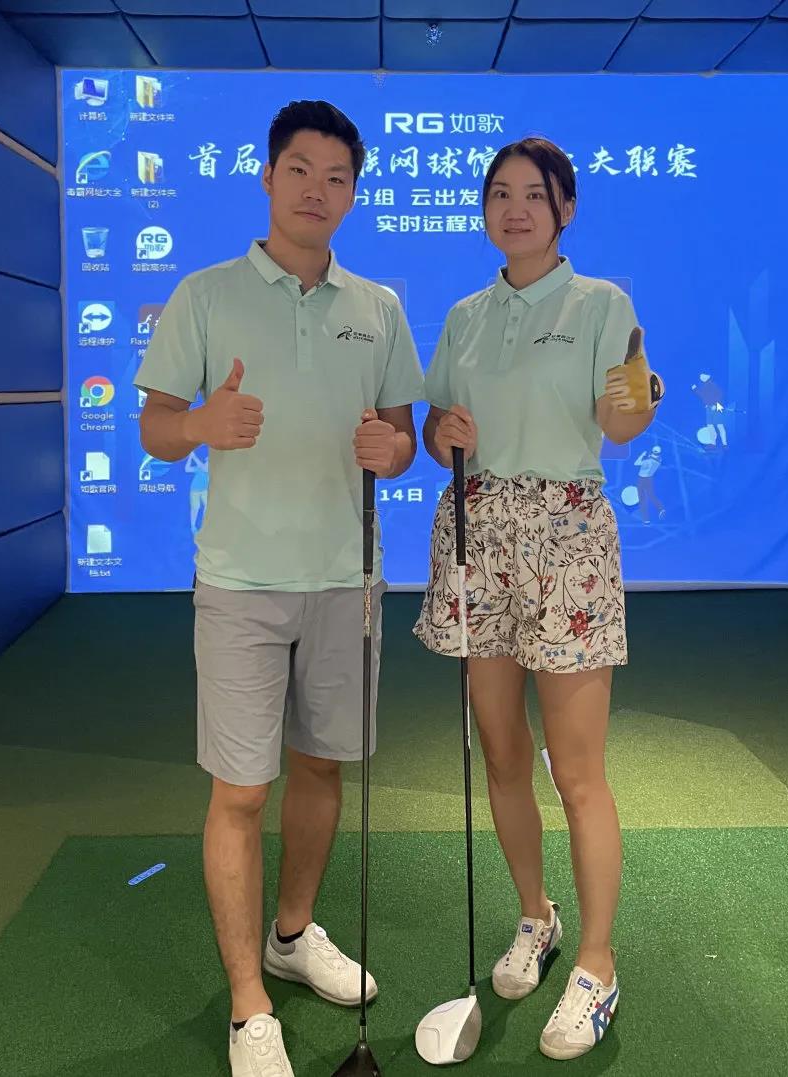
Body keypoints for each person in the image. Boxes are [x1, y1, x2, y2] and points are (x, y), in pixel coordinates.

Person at [135, 99, 425, 1077]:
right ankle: (247, 1006)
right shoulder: (205, 295)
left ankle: (292, 936)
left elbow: (400, 435)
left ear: (353, 193)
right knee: (241, 791)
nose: (316, 191)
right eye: (299, 170)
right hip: (240, 583)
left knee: (322, 770)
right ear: (267, 177)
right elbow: (155, 427)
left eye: (337, 177)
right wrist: (198, 426)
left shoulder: (377, 307)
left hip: (346, 580)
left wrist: (394, 451)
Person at [413, 137, 664, 1061]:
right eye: (499, 194)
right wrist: (442, 433)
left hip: (566, 539)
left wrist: (638, 397)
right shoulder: (465, 316)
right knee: (501, 749)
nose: (514, 209)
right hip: (479, 533)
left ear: (565, 209)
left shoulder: (601, 305)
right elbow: (438, 431)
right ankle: (536, 916)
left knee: (577, 768)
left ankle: (597, 963)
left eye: (534, 194)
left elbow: (622, 419)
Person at [633, 445, 665, 524]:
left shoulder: (648, 462)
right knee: (651, 495)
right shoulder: (659, 461)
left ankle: (646, 519)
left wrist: (642, 455)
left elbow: (636, 463)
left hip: (642, 479)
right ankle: (660, 508)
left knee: (642, 499)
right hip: (649, 479)